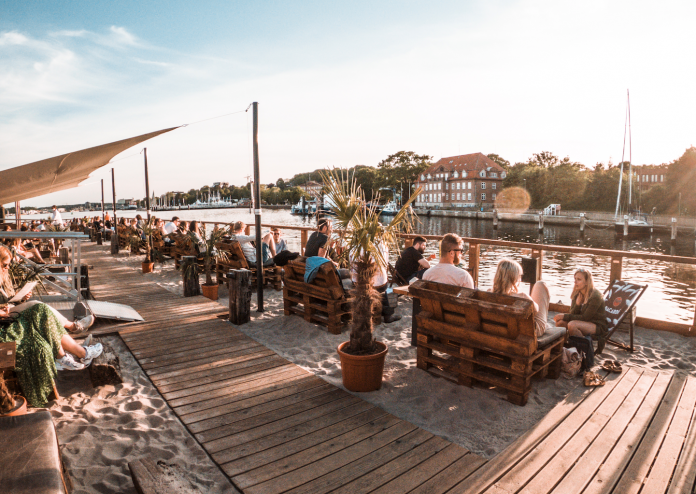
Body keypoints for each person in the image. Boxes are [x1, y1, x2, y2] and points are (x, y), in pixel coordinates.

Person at [491, 258, 551, 338]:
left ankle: (548, 327)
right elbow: (536, 310)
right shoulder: (522, 297)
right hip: (525, 331)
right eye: (519, 276)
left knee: (547, 325)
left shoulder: (488, 293)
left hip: (498, 328)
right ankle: (548, 327)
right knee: (541, 284)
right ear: (514, 278)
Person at [553, 268, 608, 350]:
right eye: (575, 279)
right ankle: (563, 348)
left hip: (596, 325)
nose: (575, 282)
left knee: (572, 325)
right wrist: (578, 304)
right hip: (582, 322)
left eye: (579, 279)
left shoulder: (595, 296)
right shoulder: (577, 292)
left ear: (586, 282)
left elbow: (586, 317)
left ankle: (582, 351)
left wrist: (564, 316)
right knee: (560, 323)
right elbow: (572, 313)